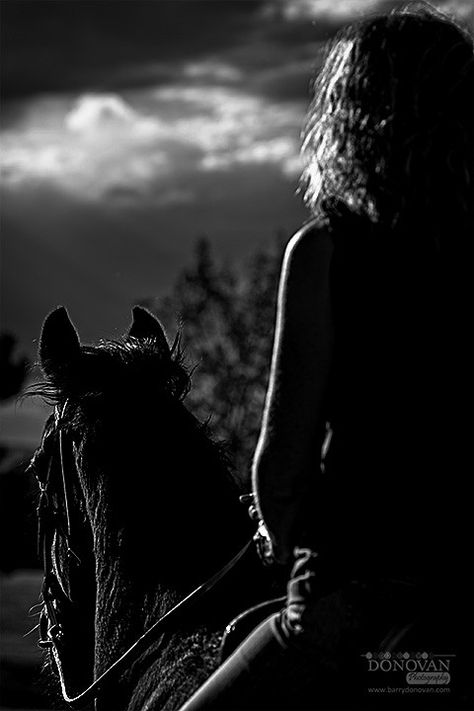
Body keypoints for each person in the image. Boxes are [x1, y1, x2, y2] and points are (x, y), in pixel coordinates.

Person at [180, 4, 474, 709]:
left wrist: (281, 534)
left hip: (352, 617)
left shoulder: (326, 253)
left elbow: (281, 469)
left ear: (350, 116)